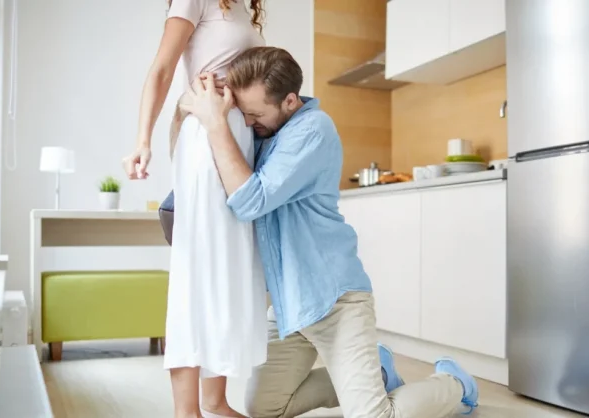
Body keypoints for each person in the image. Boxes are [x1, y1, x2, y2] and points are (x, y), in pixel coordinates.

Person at [178, 46, 481, 418]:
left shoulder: (313, 130)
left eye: (255, 114)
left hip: (335, 301)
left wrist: (216, 124)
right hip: (290, 305)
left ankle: (454, 383)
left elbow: (251, 201)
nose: (249, 122)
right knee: (265, 408)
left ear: (290, 101)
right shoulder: (267, 130)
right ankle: (380, 373)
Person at [121, 2, 267, 418]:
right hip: (206, 139)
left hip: (237, 141)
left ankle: (215, 401)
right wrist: (143, 141)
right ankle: (187, 411)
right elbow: (163, 69)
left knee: (226, 271)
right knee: (198, 271)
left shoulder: (241, 8)